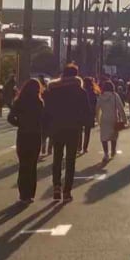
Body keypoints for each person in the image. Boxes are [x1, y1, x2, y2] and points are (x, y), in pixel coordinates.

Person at [42, 64, 93, 202]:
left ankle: (56, 186)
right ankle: (67, 191)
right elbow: (86, 111)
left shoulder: (53, 90)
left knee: (57, 158)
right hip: (73, 128)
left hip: (56, 128)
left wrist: (47, 126)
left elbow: (46, 110)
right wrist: (86, 123)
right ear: (76, 75)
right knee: (70, 160)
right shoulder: (80, 91)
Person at [7, 80, 45, 203]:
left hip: (23, 134)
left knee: (23, 164)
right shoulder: (39, 102)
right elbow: (43, 119)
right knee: (32, 165)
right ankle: (30, 193)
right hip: (35, 135)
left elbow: (10, 117)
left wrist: (20, 123)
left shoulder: (19, 102)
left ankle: (23, 194)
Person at [96, 80, 127, 162]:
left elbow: (97, 109)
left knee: (104, 137)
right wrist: (124, 119)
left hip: (104, 118)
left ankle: (106, 154)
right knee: (113, 136)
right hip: (114, 118)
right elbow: (120, 108)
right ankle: (113, 151)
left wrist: (97, 119)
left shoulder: (101, 96)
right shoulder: (115, 96)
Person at [81, 77, 100, 155]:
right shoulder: (93, 92)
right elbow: (95, 103)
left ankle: (79, 146)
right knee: (87, 131)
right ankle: (85, 147)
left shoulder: (81, 91)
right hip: (89, 113)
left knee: (79, 130)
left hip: (81, 112)